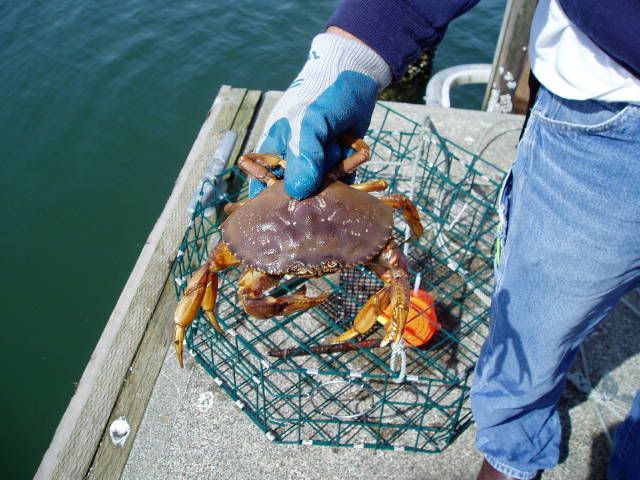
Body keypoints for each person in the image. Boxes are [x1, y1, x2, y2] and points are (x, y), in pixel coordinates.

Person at [249, 0, 640, 479]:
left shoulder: (381, 210)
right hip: (610, 105)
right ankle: (511, 452)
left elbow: (393, 256)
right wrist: (342, 58)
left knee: (399, 270)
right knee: (537, 320)